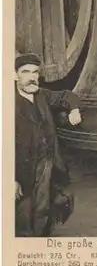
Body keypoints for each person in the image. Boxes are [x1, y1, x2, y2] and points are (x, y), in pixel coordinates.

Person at [15, 53, 82, 237]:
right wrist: (10, 179)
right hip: (20, 170)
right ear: (15, 75)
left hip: (45, 164)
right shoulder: (6, 102)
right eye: (26, 72)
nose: (32, 77)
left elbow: (67, 95)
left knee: (42, 212)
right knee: (22, 217)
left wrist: (74, 109)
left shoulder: (42, 95)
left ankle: (39, 247)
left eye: (35, 72)